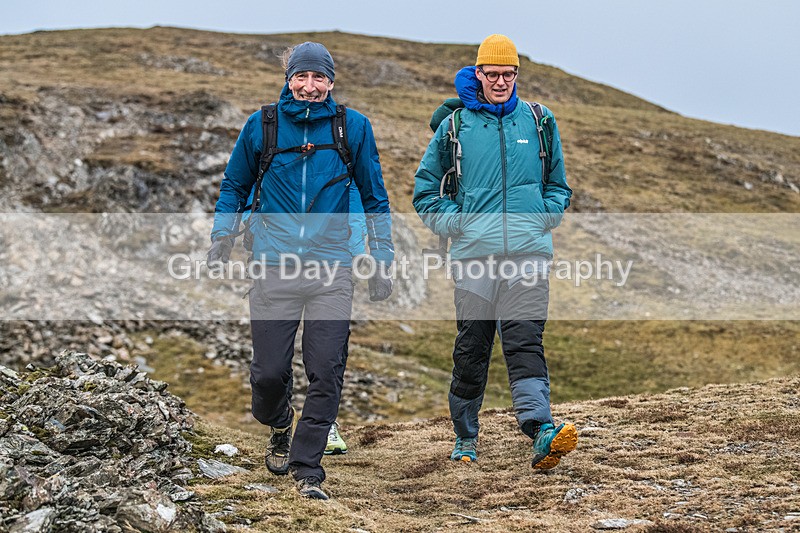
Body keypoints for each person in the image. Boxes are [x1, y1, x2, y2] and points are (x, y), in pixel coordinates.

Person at [207, 42, 393, 499]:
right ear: (289, 78)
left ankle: (307, 467)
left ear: (332, 80)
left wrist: (383, 257)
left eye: (319, 78)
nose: (310, 87)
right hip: (273, 266)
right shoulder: (263, 126)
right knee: (269, 374)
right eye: (301, 77)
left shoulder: (354, 128)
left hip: (332, 269)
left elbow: (375, 198)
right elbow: (234, 184)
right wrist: (221, 238)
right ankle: (278, 424)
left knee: (325, 370)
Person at [413, 34, 576, 469]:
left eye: (509, 74)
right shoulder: (455, 127)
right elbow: (425, 192)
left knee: (525, 341)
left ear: (517, 75)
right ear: (478, 74)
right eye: (493, 74)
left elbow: (558, 185)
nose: (501, 81)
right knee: (473, 347)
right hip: (474, 258)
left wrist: (546, 214)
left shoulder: (539, 122)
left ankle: (540, 428)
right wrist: (458, 223)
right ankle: (465, 436)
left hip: (527, 253)